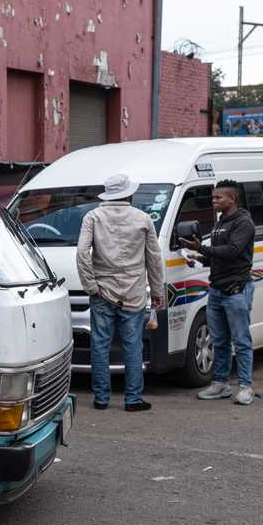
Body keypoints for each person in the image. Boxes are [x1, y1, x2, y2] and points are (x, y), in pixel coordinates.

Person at [75, 173, 165, 412]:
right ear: (130, 193)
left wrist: (91, 286)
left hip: (102, 291)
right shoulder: (143, 218)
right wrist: (157, 291)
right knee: (133, 345)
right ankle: (133, 399)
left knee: (100, 345)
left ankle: (101, 398)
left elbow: (82, 253)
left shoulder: (93, 217)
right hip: (134, 292)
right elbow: (154, 259)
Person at [181, 179, 256, 405]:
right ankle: (221, 384)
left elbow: (233, 251)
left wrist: (200, 248)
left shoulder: (244, 222)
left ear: (232, 199)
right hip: (216, 291)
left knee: (241, 341)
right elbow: (218, 254)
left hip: (236, 291)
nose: (213, 201)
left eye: (218, 198)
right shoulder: (221, 221)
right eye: (213, 197)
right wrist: (200, 259)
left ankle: (245, 387)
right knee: (220, 341)